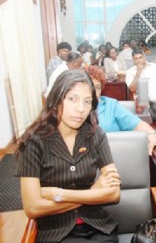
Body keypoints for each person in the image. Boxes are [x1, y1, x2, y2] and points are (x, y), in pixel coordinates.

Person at [16, 70, 121, 242]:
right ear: (57, 100)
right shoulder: (33, 142)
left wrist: (60, 194)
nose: (80, 109)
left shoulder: (96, 135)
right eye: (72, 99)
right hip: (57, 232)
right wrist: (93, 192)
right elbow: (33, 207)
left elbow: (114, 194)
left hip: (98, 227)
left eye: (87, 102)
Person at [86, 66, 156, 155]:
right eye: (90, 87)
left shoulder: (110, 105)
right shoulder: (72, 108)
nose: (94, 92)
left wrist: (151, 134)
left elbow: (138, 125)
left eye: (97, 87)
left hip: (113, 156)